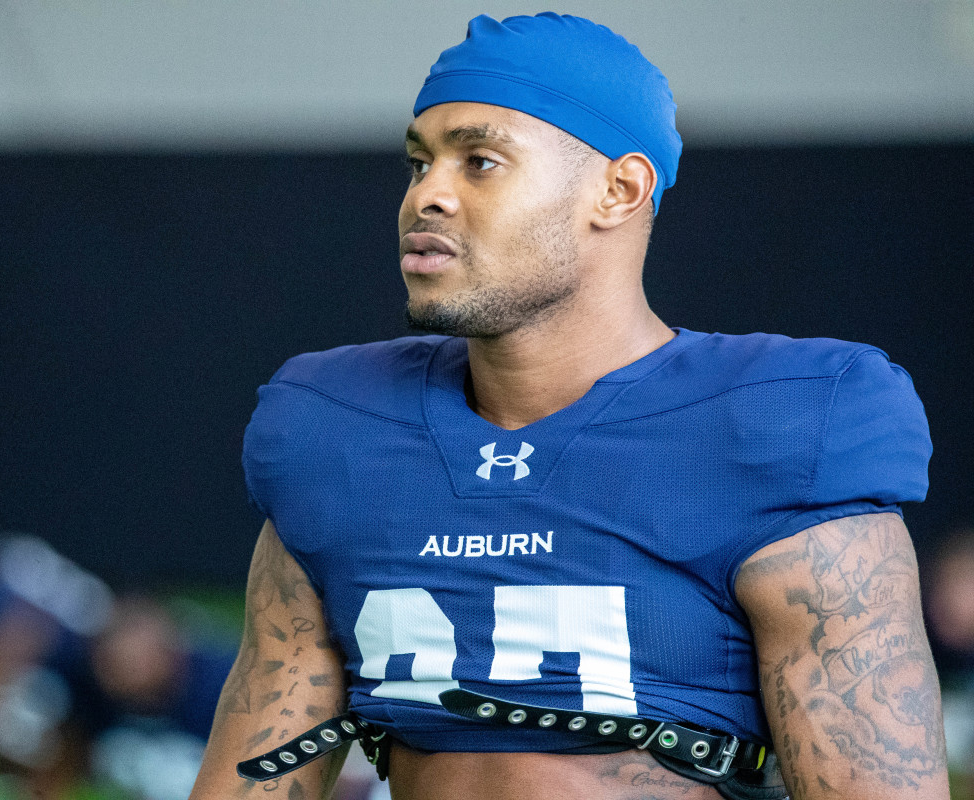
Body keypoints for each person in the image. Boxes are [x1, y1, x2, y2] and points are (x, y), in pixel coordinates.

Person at [189, 13, 948, 800]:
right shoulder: (333, 429)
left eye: (479, 161)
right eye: (420, 163)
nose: (428, 197)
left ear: (618, 191)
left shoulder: (781, 425)